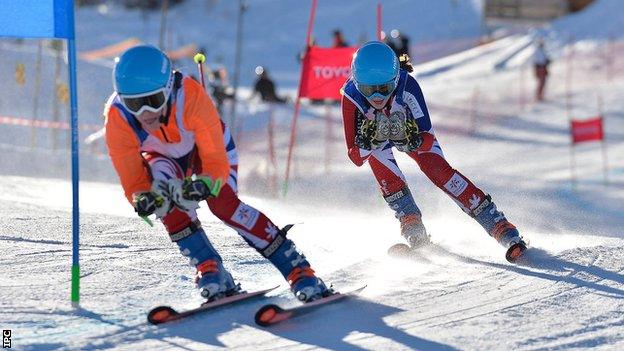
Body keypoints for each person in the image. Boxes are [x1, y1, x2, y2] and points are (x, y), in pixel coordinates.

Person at [104, 45, 329, 302]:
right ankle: (209, 267)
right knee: (164, 202)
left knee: (223, 204)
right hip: (163, 157)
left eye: (153, 101)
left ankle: (298, 269)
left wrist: (206, 183)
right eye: (135, 104)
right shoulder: (118, 117)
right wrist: (142, 197)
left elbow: (214, 159)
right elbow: (132, 176)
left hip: (208, 151)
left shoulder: (189, 96)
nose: (146, 114)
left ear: (168, 89)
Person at [340, 41, 527, 262]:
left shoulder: (407, 86)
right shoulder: (351, 97)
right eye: (369, 90)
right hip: (377, 141)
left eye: (384, 88)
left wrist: (410, 138)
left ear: (395, 79)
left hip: (411, 135)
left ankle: (499, 225)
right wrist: (368, 142)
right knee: (387, 175)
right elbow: (356, 157)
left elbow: (427, 136)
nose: (377, 97)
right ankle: (413, 228)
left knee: (439, 171)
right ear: (357, 83)